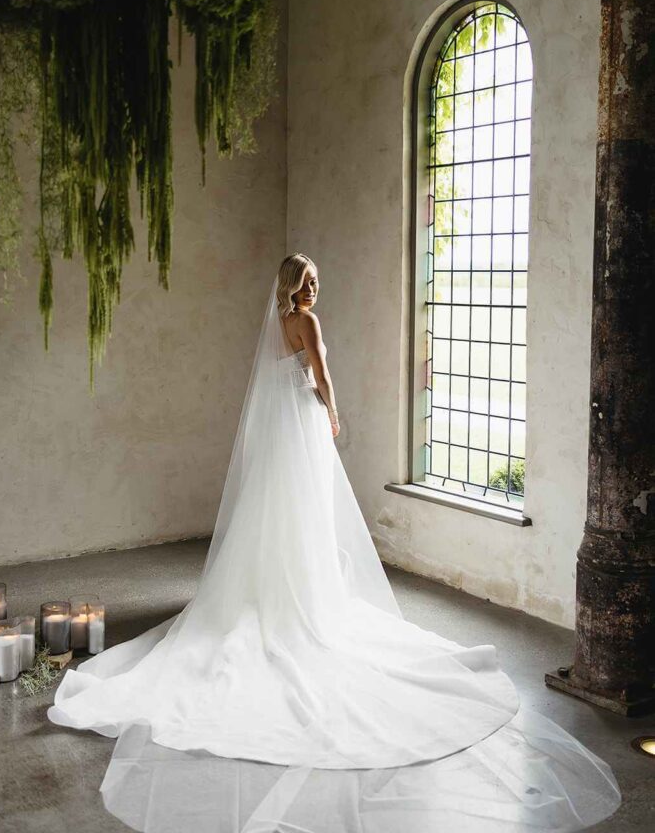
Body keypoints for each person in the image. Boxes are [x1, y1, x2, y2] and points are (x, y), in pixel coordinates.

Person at [48, 253, 620, 833]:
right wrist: (334, 415)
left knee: (276, 513)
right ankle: (307, 598)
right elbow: (320, 374)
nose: (316, 289)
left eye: (318, 281)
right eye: (309, 281)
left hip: (281, 435)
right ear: (294, 287)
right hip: (305, 425)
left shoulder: (274, 324)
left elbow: (275, 377)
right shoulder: (309, 324)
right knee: (307, 513)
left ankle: (273, 591)